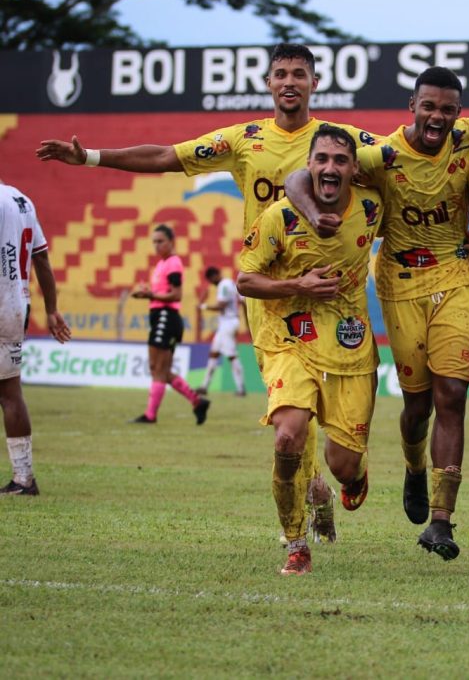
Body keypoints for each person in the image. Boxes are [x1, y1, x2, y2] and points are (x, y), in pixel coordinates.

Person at [36, 42, 380, 542]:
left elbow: (404, 161)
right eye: (280, 73)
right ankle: (307, 503)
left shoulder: (341, 142)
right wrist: (89, 157)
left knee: (332, 439)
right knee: (290, 415)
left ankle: (326, 484)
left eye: (299, 74)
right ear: (267, 82)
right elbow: (165, 156)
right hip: (272, 295)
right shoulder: (243, 139)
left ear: (314, 82)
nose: (289, 81)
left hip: (340, 299)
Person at [285, 66, 469, 562]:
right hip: (400, 282)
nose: (438, 116)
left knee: (452, 393)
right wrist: (314, 214)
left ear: (458, 113)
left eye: (447, 109)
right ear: (412, 108)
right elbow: (297, 176)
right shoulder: (381, 155)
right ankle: (415, 467)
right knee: (417, 407)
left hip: (458, 275)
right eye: (429, 106)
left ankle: (441, 519)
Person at [237, 124, 382, 575]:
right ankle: (297, 543)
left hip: (348, 342)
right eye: (321, 160)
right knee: (288, 435)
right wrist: (297, 284)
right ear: (309, 166)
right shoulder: (279, 217)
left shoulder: (374, 207)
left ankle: (352, 476)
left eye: (340, 160)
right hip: (288, 337)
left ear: (354, 169)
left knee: (342, 463)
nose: (330, 168)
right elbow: (244, 279)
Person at [0, 180, 71, 495]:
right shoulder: (22, 200)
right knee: (10, 394)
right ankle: (24, 478)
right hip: (16, 306)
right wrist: (52, 309)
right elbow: (41, 258)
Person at [131, 224, 210, 425]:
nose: (156, 245)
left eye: (160, 241)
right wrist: (147, 293)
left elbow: (176, 294)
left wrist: (149, 294)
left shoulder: (173, 263)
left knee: (158, 369)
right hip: (161, 318)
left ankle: (150, 415)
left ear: (171, 242)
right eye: (154, 242)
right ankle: (197, 401)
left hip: (167, 317)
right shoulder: (161, 264)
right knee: (160, 370)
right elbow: (163, 293)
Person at [198, 266, 246, 396]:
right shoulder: (230, 283)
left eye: (210, 279)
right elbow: (242, 301)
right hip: (226, 323)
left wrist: (203, 306)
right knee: (214, 354)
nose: (211, 282)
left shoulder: (224, 285)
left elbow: (221, 306)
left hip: (228, 323)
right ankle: (204, 386)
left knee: (232, 356)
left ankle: (241, 388)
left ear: (214, 276)